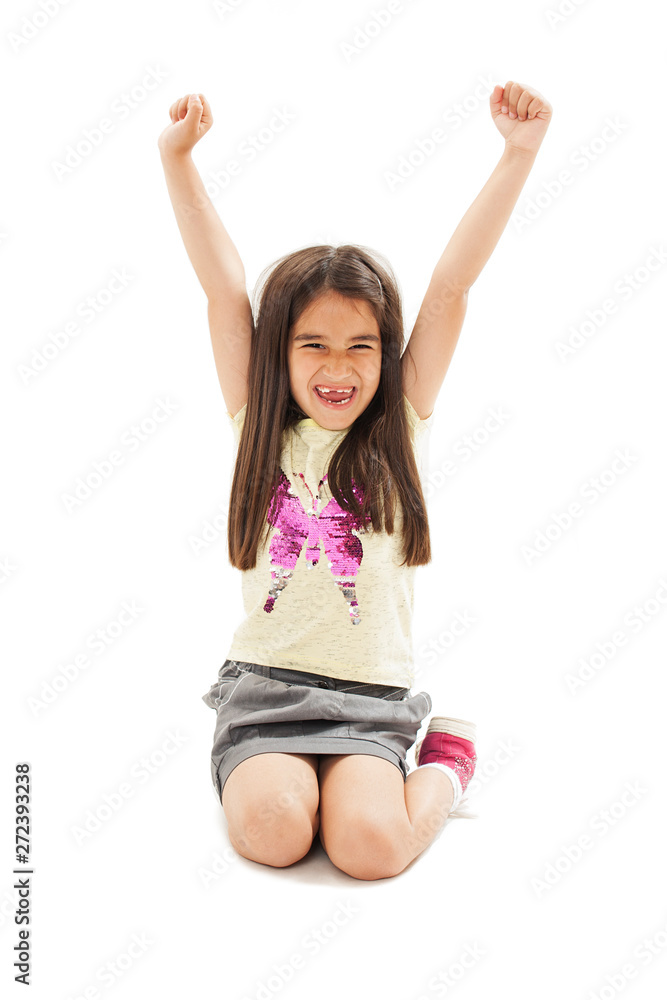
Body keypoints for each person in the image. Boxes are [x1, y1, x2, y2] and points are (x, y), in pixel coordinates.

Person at [157, 80, 552, 881]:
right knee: (272, 832)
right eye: (313, 346)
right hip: (267, 695)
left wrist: (517, 155)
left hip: (370, 697)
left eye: (359, 347)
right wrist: (178, 161)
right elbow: (222, 290)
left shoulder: (399, 425)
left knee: (369, 851)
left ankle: (445, 761)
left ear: (385, 352)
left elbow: (451, 286)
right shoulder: (258, 430)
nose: (337, 369)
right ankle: (288, 778)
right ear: (280, 353)